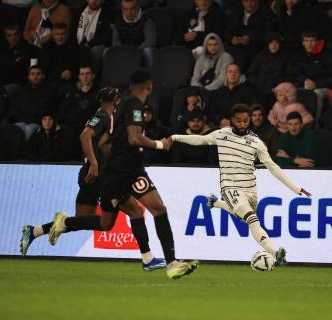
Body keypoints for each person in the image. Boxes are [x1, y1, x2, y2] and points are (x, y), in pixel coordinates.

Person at [20, 88, 164, 272]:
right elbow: (84, 135)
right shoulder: (104, 116)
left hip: (89, 177)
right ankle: (148, 259)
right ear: (114, 101)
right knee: (134, 212)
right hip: (102, 177)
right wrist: (96, 163)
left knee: (80, 220)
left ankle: (34, 231)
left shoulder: (103, 117)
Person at [164, 103, 311, 266]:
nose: (242, 123)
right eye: (239, 120)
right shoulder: (222, 134)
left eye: (246, 120)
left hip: (250, 189)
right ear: (232, 120)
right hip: (230, 187)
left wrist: (295, 187)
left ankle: (216, 203)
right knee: (252, 219)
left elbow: (272, 166)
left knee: (246, 218)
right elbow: (200, 140)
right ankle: (275, 252)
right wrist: (175, 137)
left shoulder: (256, 142)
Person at [89, 70, 199, 278]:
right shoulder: (135, 106)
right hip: (119, 174)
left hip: (129, 169)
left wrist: (118, 157)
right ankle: (64, 224)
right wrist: (160, 144)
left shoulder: (123, 106)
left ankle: (171, 263)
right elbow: (134, 138)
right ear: (149, 86)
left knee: (158, 208)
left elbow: (103, 142)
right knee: (106, 223)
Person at [294, 29, 332, 117]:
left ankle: (315, 123)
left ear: (317, 42)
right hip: (307, 85)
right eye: (306, 41)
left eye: (312, 40)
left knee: (316, 93)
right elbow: (297, 73)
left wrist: (317, 84)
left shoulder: (327, 55)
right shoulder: (300, 55)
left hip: (325, 88)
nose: (309, 44)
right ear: (303, 42)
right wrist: (306, 80)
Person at [58, 65, 99, 159]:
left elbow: (103, 113)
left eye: (88, 74)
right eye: (82, 74)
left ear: (93, 76)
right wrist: (70, 120)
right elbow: (62, 112)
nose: (85, 77)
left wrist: (92, 123)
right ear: (79, 77)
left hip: (91, 126)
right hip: (74, 125)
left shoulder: (99, 93)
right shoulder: (73, 93)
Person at [9, 65, 57, 139]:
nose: (35, 76)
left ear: (43, 76)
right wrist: (28, 108)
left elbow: (40, 110)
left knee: (29, 129)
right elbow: (14, 109)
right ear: (28, 77)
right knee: (15, 128)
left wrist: (25, 107)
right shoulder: (24, 90)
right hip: (22, 121)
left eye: (38, 74)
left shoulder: (49, 91)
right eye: (32, 74)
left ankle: (27, 150)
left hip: (38, 122)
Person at [247, 32, 294, 108]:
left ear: (280, 44)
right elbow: (250, 73)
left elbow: (289, 76)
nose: (274, 46)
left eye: (276, 43)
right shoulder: (261, 55)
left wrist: (278, 85)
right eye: (271, 43)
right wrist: (258, 83)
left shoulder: (286, 57)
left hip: (278, 90)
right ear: (267, 44)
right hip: (261, 89)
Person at [224, 0, 277, 66]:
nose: (249, 4)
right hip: (237, 49)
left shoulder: (267, 13)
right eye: (246, 1)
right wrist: (231, 39)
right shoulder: (237, 11)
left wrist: (250, 39)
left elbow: (269, 35)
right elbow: (227, 31)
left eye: (252, 1)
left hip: (256, 49)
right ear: (242, 2)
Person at [112, 0, 156, 69]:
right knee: (107, 51)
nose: (129, 12)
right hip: (125, 50)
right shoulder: (118, 20)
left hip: (141, 49)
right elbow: (115, 41)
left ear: (137, 8)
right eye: (126, 9)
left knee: (148, 51)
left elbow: (151, 41)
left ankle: (152, 76)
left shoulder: (146, 19)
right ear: (122, 9)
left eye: (132, 9)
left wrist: (135, 51)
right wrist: (124, 51)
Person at [75, 0, 113, 71]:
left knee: (95, 51)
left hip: (95, 44)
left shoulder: (107, 13)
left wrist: (89, 44)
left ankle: (91, 76)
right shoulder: (79, 12)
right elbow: (72, 32)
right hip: (78, 42)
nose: (94, 1)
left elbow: (106, 37)